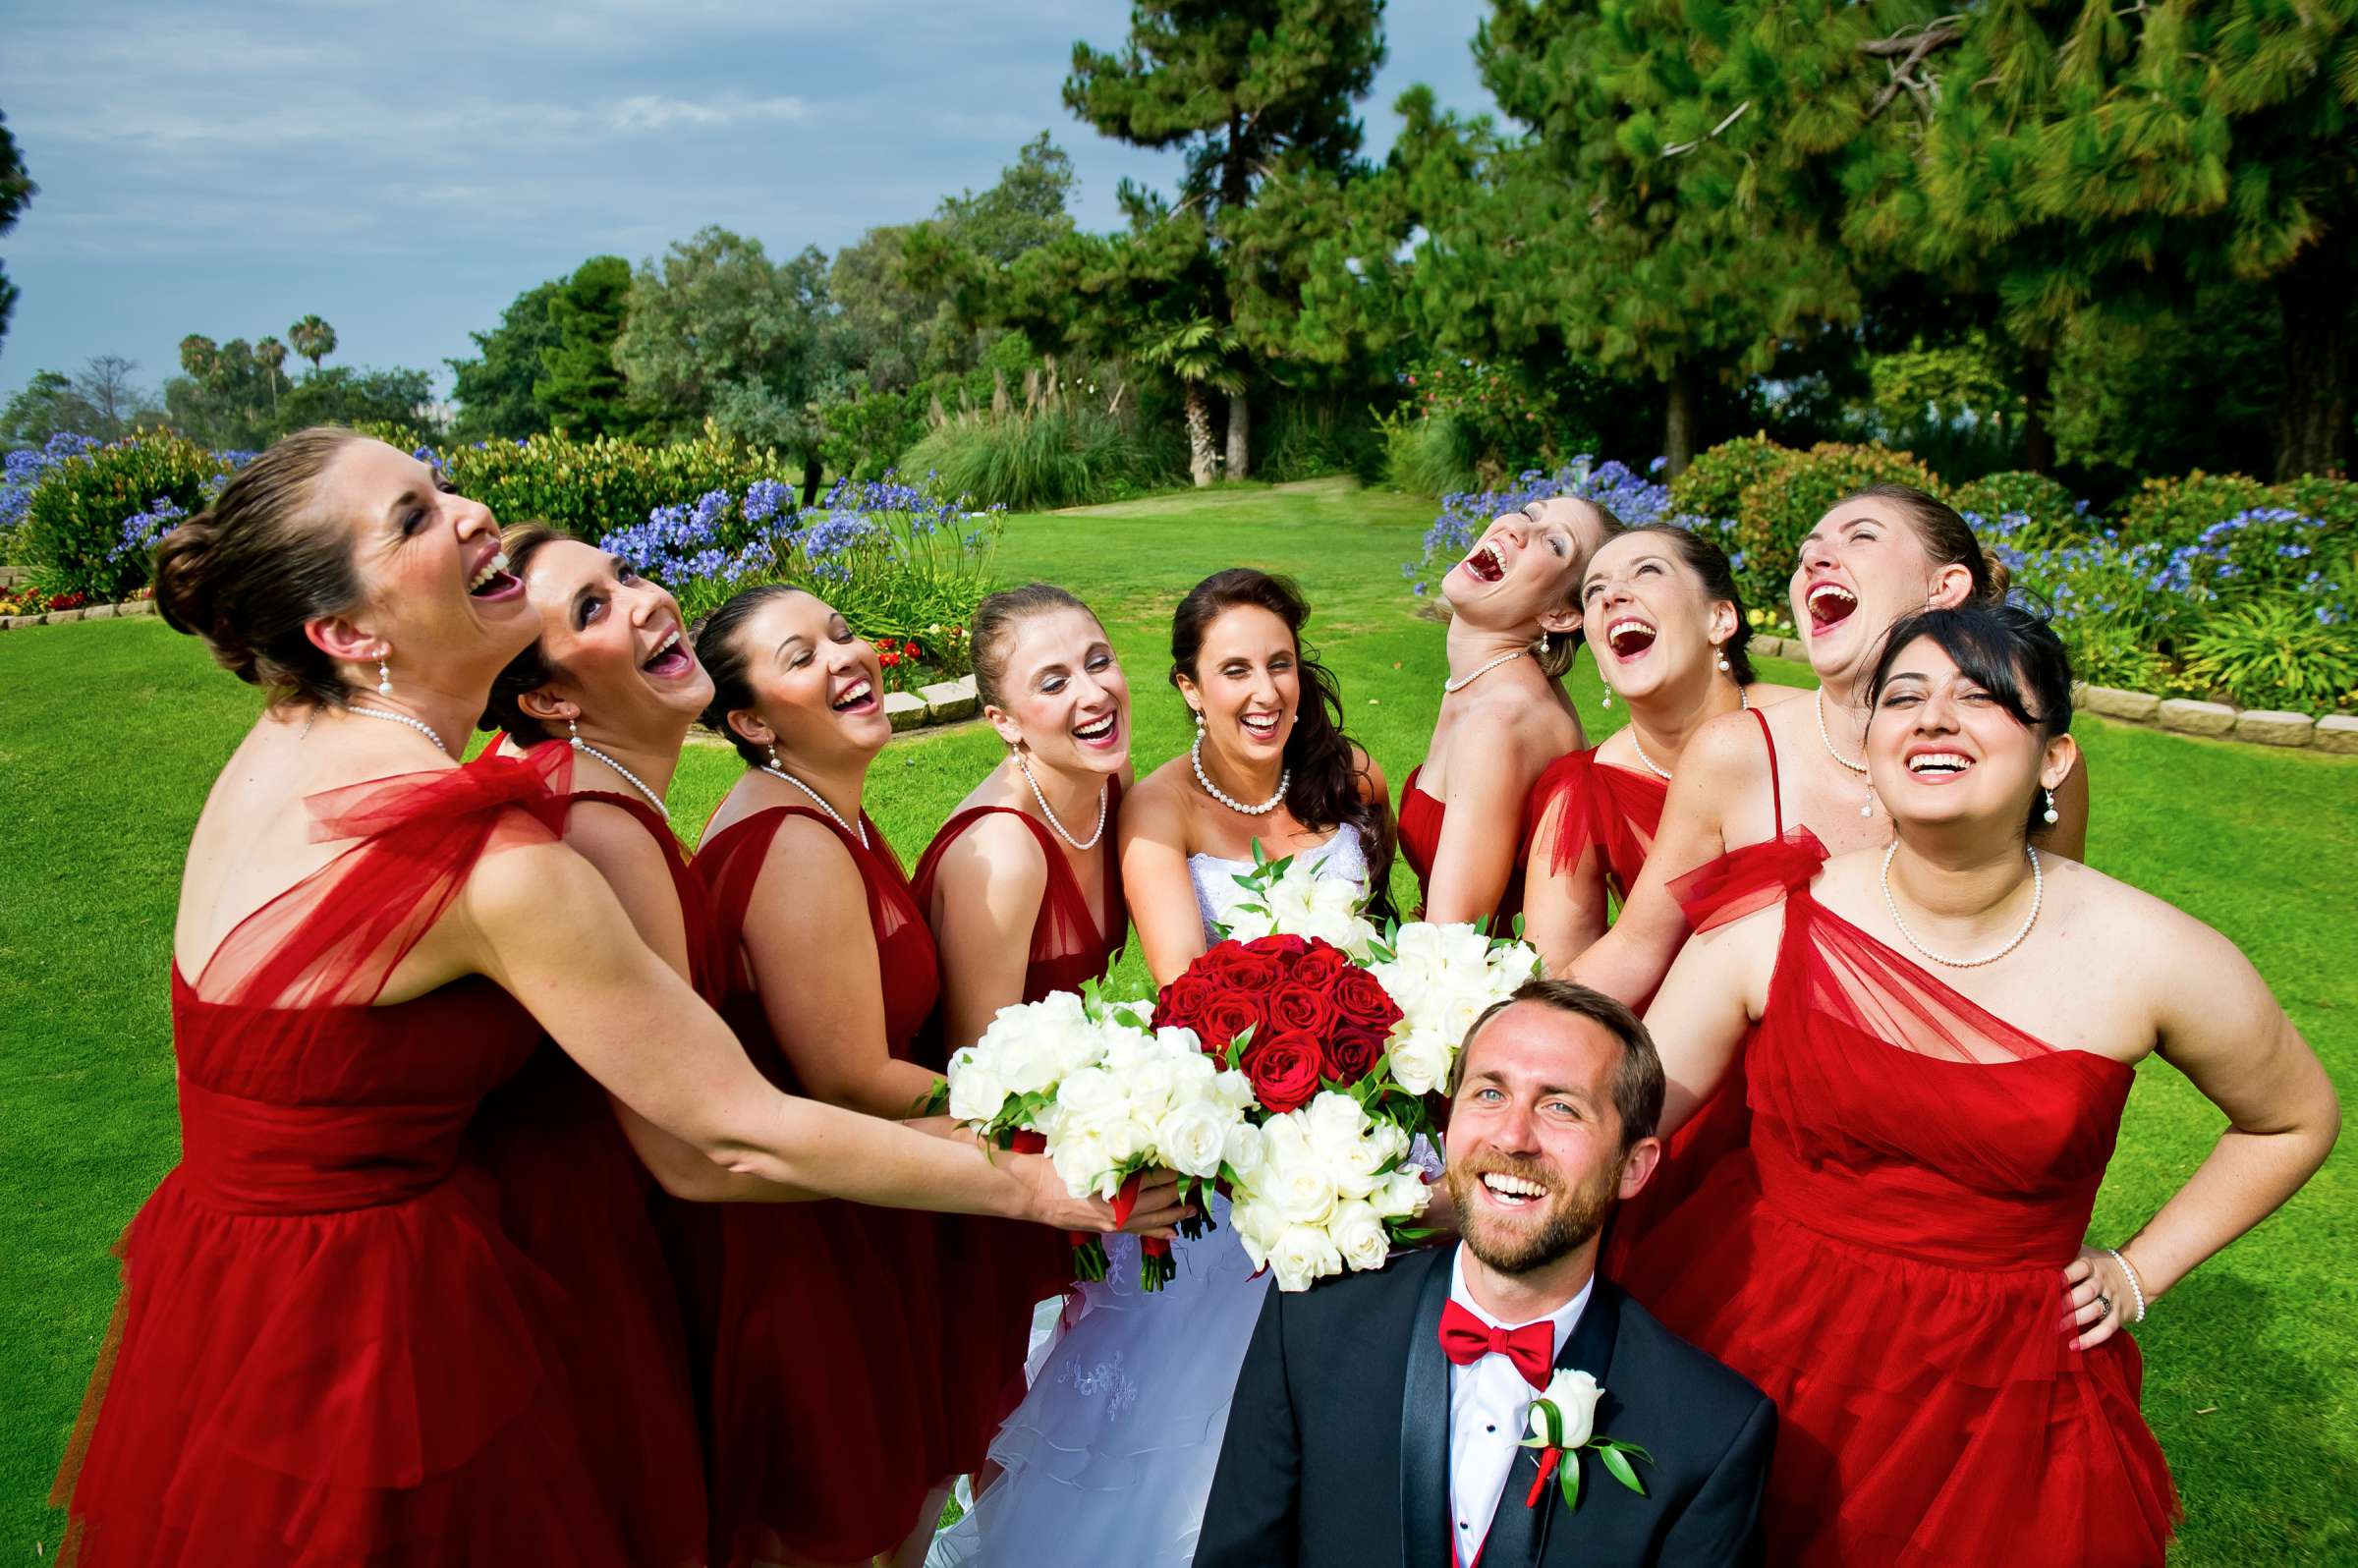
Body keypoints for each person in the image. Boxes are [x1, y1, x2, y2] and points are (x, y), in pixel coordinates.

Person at [48, 430, 1174, 1568]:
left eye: (441, 482)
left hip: (236, 1290)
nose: (473, 510)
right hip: (386, 1327)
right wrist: (1036, 1185)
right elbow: (726, 1138)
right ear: (344, 634)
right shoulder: (491, 864)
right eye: (413, 517)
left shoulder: (281, 746)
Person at [1618, 603, 2340, 1566]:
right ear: (1871, 749)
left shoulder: (2153, 955)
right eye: (1903, 698)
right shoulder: (1771, 922)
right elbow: (1626, 1116)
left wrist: (2139, 1270)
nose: (1933, 718)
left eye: (1984, 698)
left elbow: (2292, 1120)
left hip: (1997, 1397)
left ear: (2053, 758)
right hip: (1756, 1335)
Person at [936, 571, 1393, 1567]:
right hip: (1240, 1120)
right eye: (1234, 669)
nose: (1264, 690)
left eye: (1280, 664)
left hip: (1371, 1117)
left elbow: (1390, 941)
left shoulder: (1351, 780)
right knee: (1185, 1422)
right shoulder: (1148, 808)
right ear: (1190, 684)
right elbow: (1194, 993)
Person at [1569, 485, 2093, 1260]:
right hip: (1753, 1141)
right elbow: (1636, 947)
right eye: (1810, 544)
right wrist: (1482, 1035)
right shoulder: (1735, 753)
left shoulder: (2027, 766)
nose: (1816, 553)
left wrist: (2114, 1257)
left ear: (1945, 588)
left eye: (1860, 537)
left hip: (1950, 1165)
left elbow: (2044, 957)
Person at [1198, 980, 1776, 1568]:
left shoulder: (1709, 1432)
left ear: (1633, 1168)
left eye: (1561, 1107)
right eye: (1490, 1094)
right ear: (1448, 1127)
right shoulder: (1312, 1326)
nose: (1512, 1137)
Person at [470, 522, 735, 1567]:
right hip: (603, 1244)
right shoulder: (598, 828)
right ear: (550, 702)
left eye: (624, 574)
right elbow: (690, 1130)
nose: (646, 599)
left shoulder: (614, 801)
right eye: (592, 608)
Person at [692, 582, 970, 1568]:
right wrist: (1038, 1112)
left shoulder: (829, 809)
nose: (845, 657)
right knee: (836, 1524)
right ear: (751, 720)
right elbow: (847, 1079)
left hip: (866, 1205)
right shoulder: (794, 843)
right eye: (801, 655)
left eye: (842, 634)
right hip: (811, 1239)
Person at [910, 583, 1138, 1509]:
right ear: (1004, 722)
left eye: (1097, 660)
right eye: (1054, 682)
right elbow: (978, 1082)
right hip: (970, 1170)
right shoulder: (1002, 851)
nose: (1093, 694)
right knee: (988, 1426)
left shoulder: (1104, 784)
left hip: (1054, 1124)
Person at [1522, 524, 1801, 978]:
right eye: (1594, 590)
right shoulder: (1585, 791)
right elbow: (1554, 975)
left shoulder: (1818, 728)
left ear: (1720, 619)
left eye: (1647, 571)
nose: (1612, 596)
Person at [1399, 496, 1603, 927]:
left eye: (1554, 544)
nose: (1519, 528)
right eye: (1530, 512)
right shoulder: (1489, 684)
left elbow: (1449, 944)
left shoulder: (1501, 722)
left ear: (1561, 614)